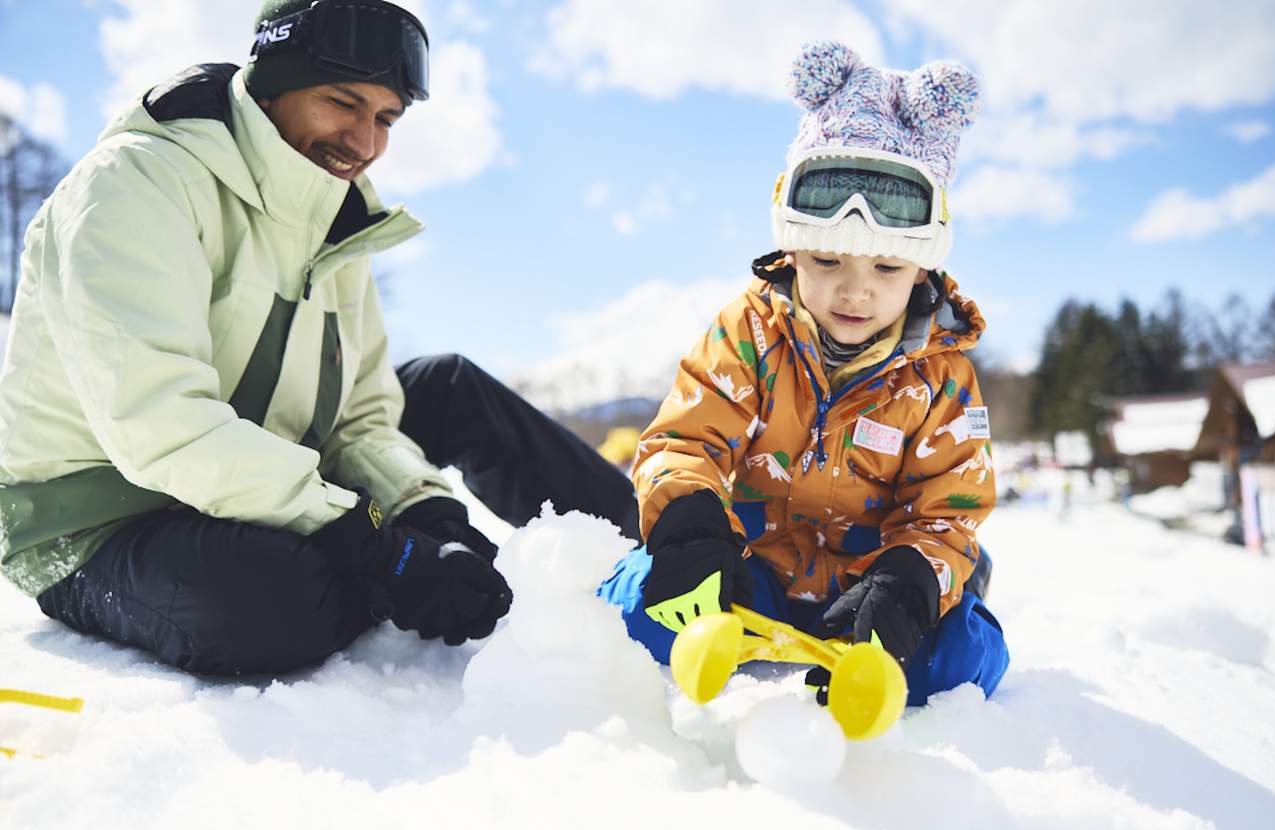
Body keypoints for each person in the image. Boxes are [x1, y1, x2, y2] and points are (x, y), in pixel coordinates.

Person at [0, 0, 637, 677]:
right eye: (343, 102)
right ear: (272, 87)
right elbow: (162, 423)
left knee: (447, 384)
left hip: (262, 459)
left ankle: (665, 558)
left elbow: (361, 416)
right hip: (101, 515)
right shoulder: (134, 184)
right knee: (274, 600)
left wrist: (428, 511)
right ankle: (363, 574)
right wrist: (378, 548)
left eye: (386, 119)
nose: (363, 142)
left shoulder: (335, 216)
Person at [598, 42, 1008, 706]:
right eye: (826, 261)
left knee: (956, 664)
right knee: (637, 608)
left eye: (885, 268)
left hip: (866, 589)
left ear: (923, 268)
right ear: (790, 247)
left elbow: (947, 509)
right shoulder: (749, 331)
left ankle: (934, 598)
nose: (854, 291)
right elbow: (685, 441)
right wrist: (695, 528)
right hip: (751, 568)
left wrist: (909, 579)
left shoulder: (942, 377)